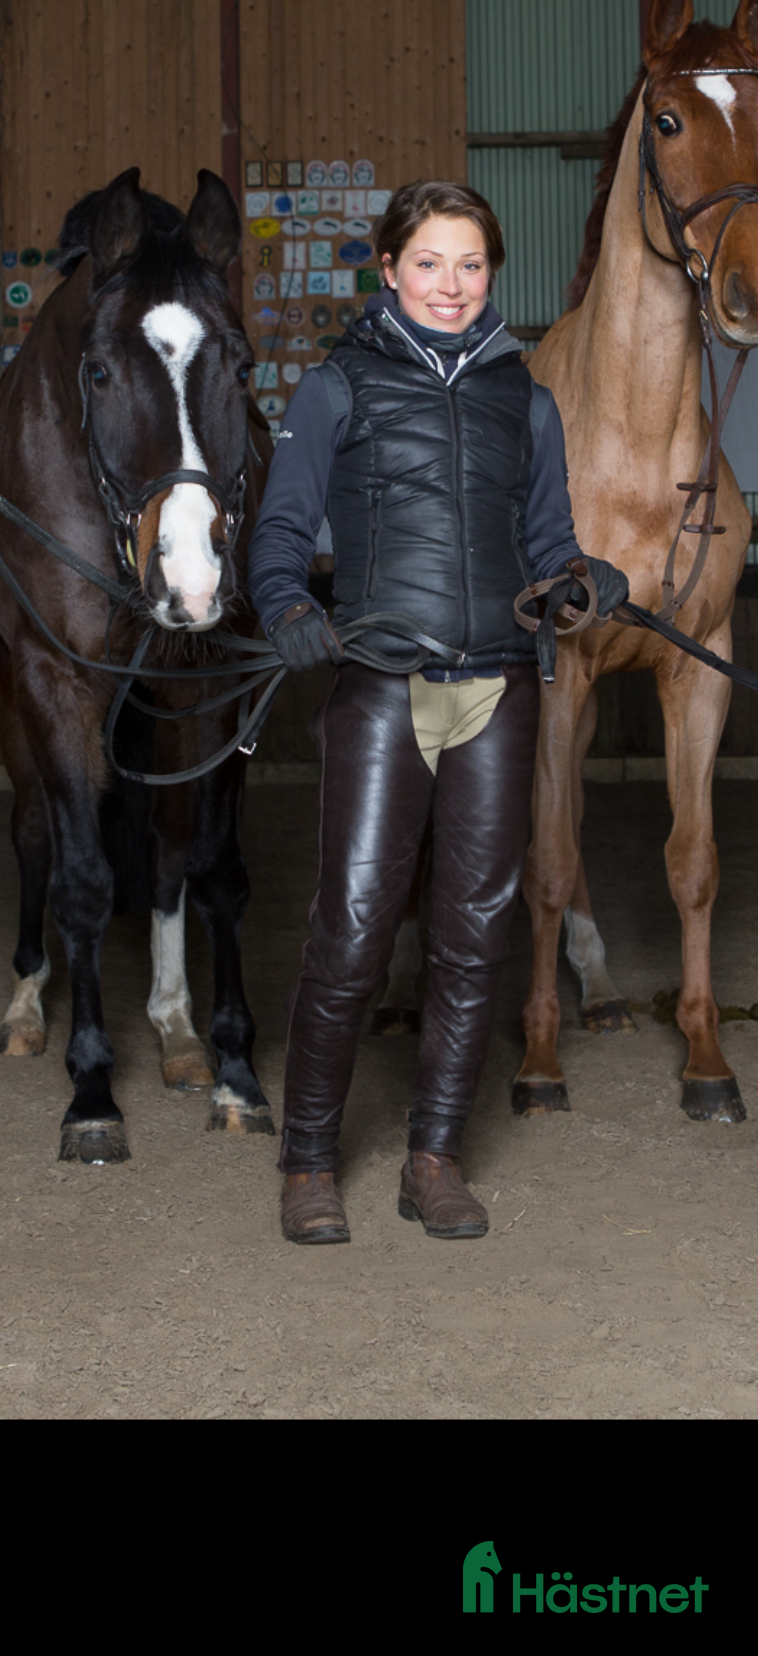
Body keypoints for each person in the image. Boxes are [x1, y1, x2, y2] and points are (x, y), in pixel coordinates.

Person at [247, 180, 628, 1247]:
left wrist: (580, 580)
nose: (451, 285)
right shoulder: (336, 388)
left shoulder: (528, 399)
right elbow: (279, 532)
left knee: (471, 938)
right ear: (389, 269)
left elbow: (549, 540)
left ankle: (434, 1158)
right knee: (353, 933)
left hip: (500, 692)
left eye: (470, 265)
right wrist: (285, 604)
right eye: (429, 263)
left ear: (491, 274)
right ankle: (310, 1162)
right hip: (381, 692)